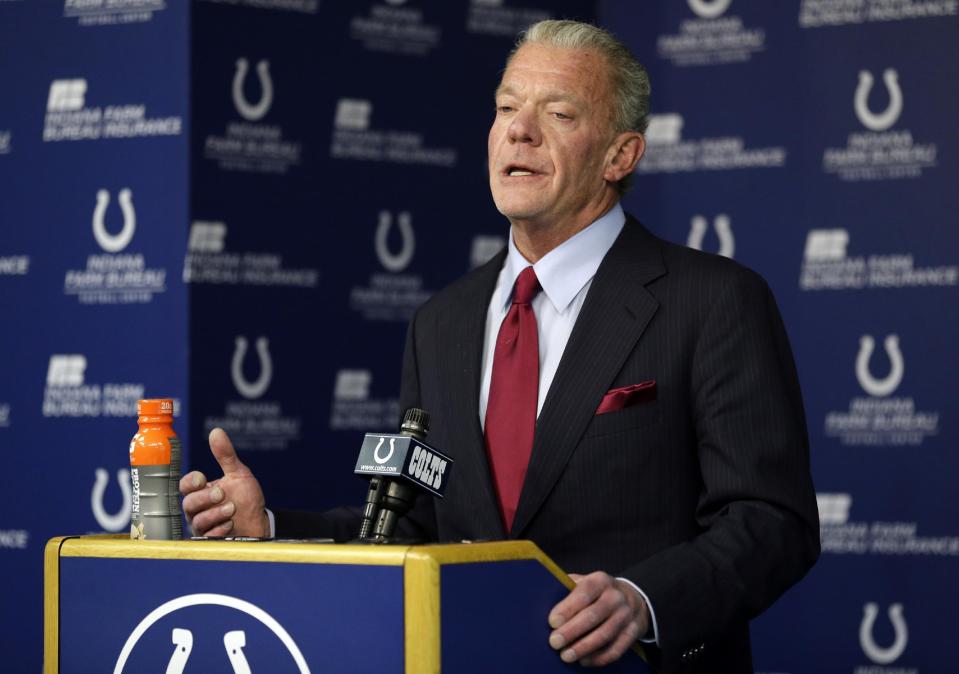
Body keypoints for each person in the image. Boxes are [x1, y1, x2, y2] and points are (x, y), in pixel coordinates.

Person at [181, 20, 819, 673]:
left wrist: (643, 601)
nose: (519, 129)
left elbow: (770, 520)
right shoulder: (441, 322)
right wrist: (274, 531)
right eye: (506, 107)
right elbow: (413, 528)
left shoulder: (711, 301)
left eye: (558, 112)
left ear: (620, 156)